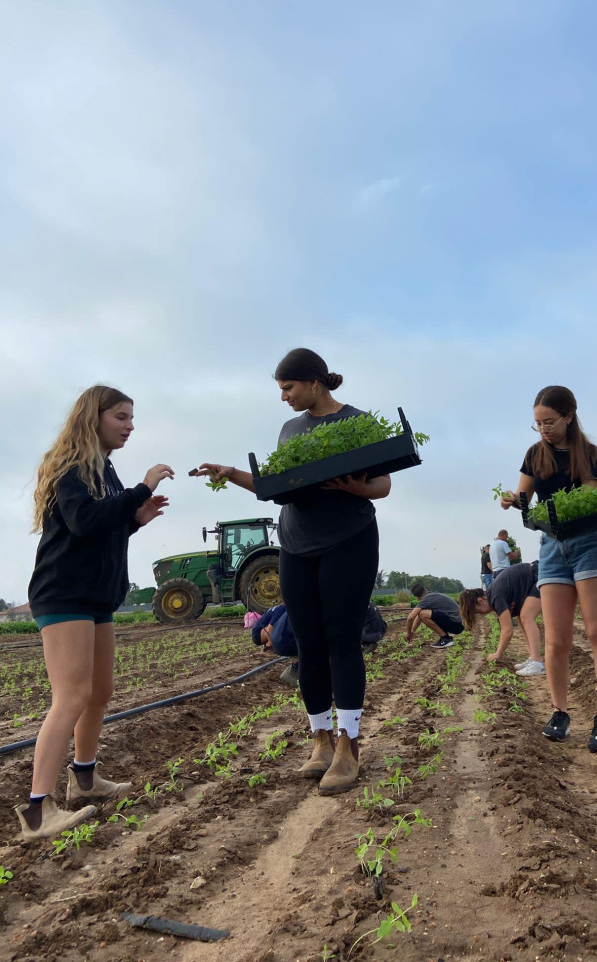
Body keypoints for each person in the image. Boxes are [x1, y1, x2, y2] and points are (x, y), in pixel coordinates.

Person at [198, 348, 390, 795]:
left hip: (348, 542)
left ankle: (349, 747)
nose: (283, 397)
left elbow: (383, 485)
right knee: (306, 644)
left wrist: (353, 485)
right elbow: (276, 488)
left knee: (342, 642)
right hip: (296, 546)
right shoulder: (290, 430)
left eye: (288, 388)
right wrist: (230, 473)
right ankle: (320, 740)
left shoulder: (356, 423)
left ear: (314, 382)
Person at [17, 386, 173, 841]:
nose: (129, 426)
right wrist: (142, 488)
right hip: (63, 593)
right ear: (95, 416)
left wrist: (134, 519)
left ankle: (84, 779)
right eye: (121, 417)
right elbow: (83, 521)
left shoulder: (105, 469)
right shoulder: (71, 466)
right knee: (70, 696)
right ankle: (37, 811)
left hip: (96, 596)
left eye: (131, 418)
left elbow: (103, 527)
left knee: (99, 691)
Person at [499, 386, 597, 752]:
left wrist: (567, 504)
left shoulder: (590, 454)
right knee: (556, 641)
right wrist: (513, 501)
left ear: (569, 416)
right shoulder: (535, 454)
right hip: (551, 548)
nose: (543, 429)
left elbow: (590, 495)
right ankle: (560, 713)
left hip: (590, 546)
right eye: (537, 423)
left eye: (549, 422)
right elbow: (524, 499)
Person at [252, 603, 388, 685]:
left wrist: (270, 642)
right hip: (374, 630)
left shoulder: (280, 609)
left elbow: (270, 634)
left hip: (290, 639)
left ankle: (299, 670)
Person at [459, 561, 545, 676]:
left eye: (479, 611)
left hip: (540, 574)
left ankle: (537, 664)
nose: (483, 614)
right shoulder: (494, 594)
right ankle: (535, 658)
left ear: (481, 601)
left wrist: (498, 653)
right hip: (536, 574)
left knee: (526, 616)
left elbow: (507, 630)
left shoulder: (495, 597)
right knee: (521, 617)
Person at [405, 583, 464, 649]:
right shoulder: (432, 595)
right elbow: (418, 616)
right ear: (425, 589)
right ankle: (445, 637)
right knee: (422, 613)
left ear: (417, 597)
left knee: (423, 614)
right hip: (459, 623)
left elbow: (410, 618)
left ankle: (445, 638)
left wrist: (408, 633)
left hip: (456, 625)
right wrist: (412, 631)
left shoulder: (425, 600)